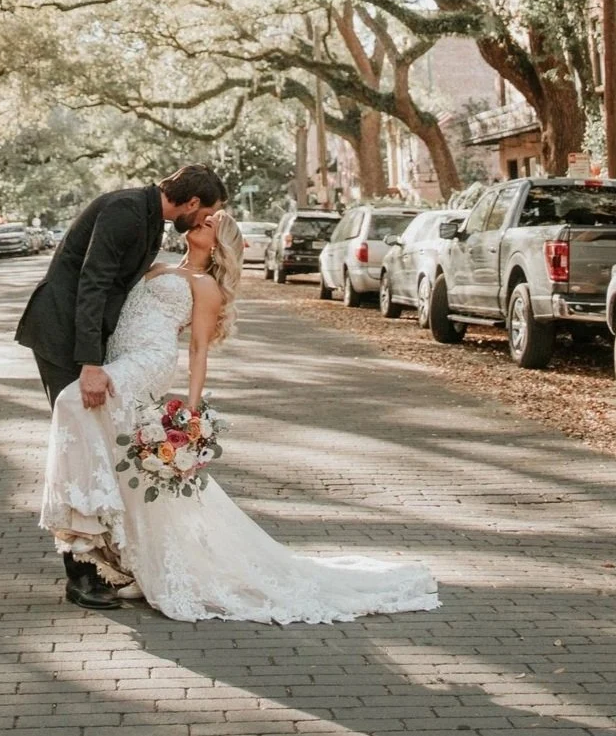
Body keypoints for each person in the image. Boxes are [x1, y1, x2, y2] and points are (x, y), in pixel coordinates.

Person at [41, 210, 440, 623]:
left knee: (72, 402)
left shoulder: (205, 285)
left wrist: (191, 413)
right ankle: (125, 549)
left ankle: (84, 528)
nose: (199, 222)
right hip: (120, 356)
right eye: (200, 218)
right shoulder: (156, 265)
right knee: (126, 460)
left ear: (217, 243)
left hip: (148, 362)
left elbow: (198, 350)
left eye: (210, 223)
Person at [15, 163, 227, 608]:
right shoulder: (126, 211)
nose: (206, 220)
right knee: (80, 440)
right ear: (190, 203)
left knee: (98, 446)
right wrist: (91, 363)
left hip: (98, 347)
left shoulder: (151, 220)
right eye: (206, 212)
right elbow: (93, 281)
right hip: (62, 336)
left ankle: (105, 558)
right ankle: (81, 574)